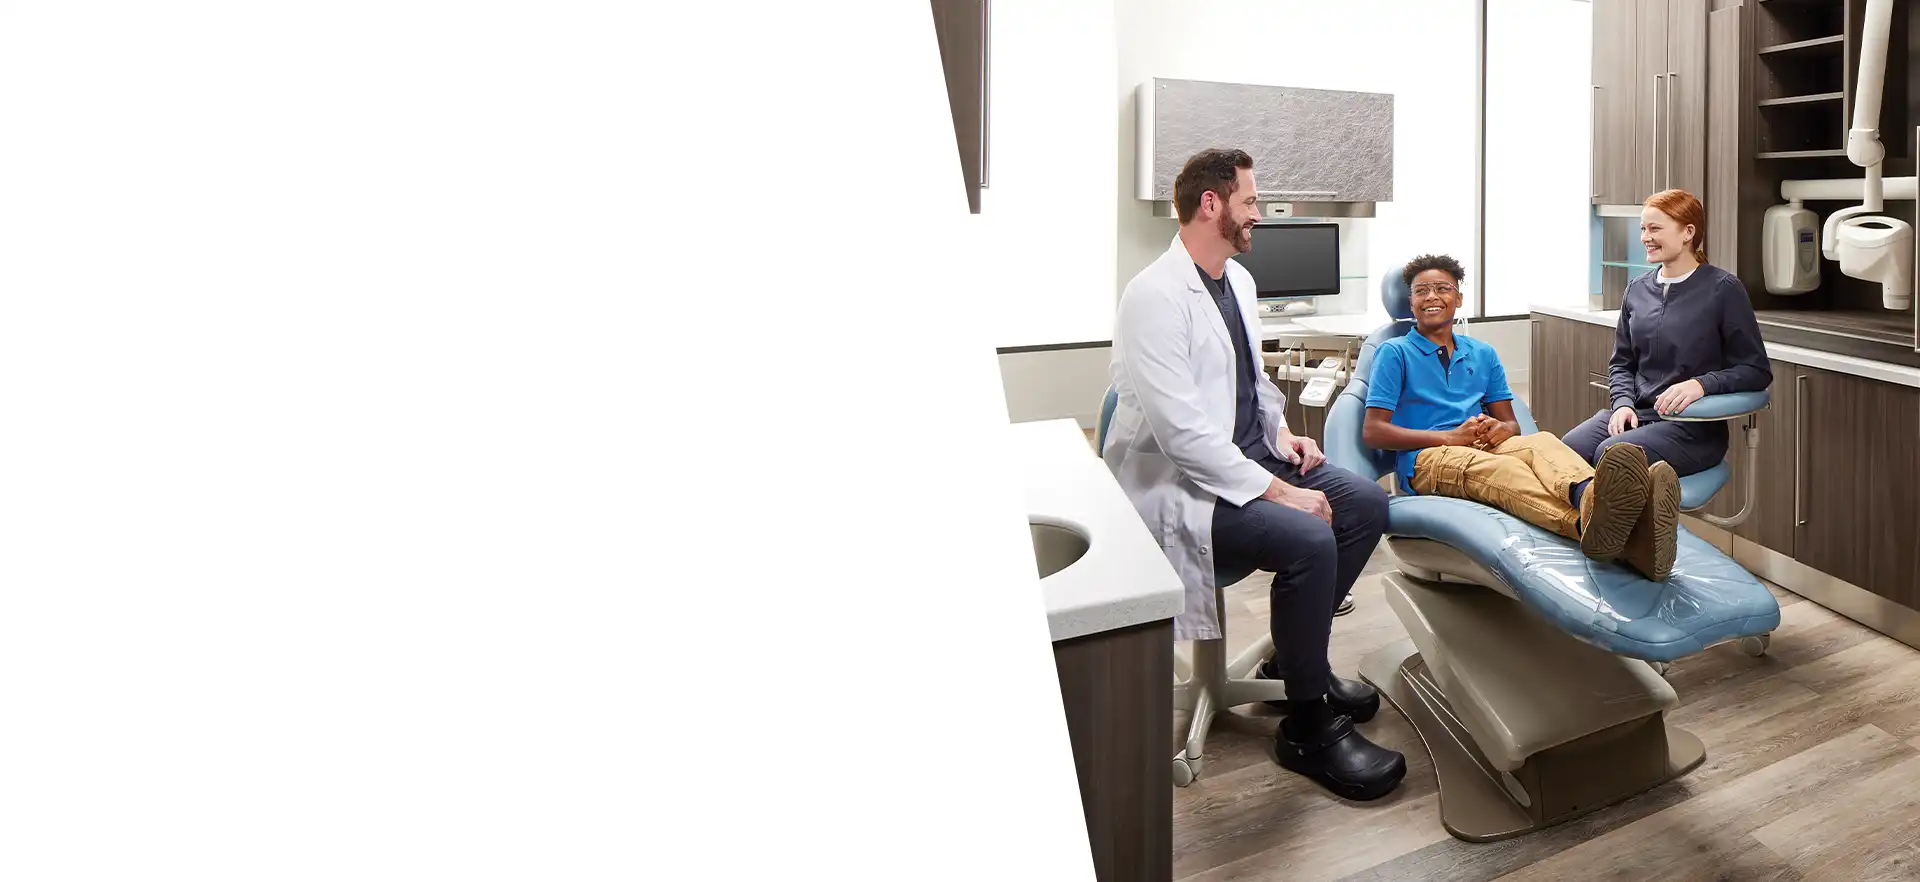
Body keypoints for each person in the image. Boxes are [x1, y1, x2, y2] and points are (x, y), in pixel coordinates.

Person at [1104, 147, 1404, 802]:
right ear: (1210, 204)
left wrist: (1283, 436)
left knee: (1364, 507)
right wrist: (1279, 489)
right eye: (1250, 201)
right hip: (1180, 483)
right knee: (1310, 535)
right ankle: (1307, 725)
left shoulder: (1235, 279)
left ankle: (1291, 664)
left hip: (1248, 456)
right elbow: (1184, 435)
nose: (1259, 215)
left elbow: (1252, 383)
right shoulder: (1152, 297)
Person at [1362, 254, 1683, 580]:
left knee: (1541, 441)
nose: (1431, 296)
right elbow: (1374, 432)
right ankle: (1596, 525)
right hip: (1426, 458)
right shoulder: (1394, 353)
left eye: (1442, 288)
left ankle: (1593, 500)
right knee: (1506, 468)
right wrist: (1448, 437)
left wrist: (1499, 428)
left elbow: (1512, 424)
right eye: (1421, 291)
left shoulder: (1482, 353)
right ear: (1411, 302)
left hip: (1481, 445)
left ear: (1458, 298)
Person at [1564, 188, 1773, 494]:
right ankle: (1585, 530)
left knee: (1612, 456)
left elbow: (1756, 370)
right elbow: (1622, 363)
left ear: (1688, 232)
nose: (1645, 237)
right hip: (1638, 415)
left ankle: (1606, 535)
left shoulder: (1723, 289)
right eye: (1643, 229)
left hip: (1693, 429)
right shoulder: (1636, 290)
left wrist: (1701, 384)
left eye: (1655, 229)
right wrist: (1622, 404)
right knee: (1564, 453)